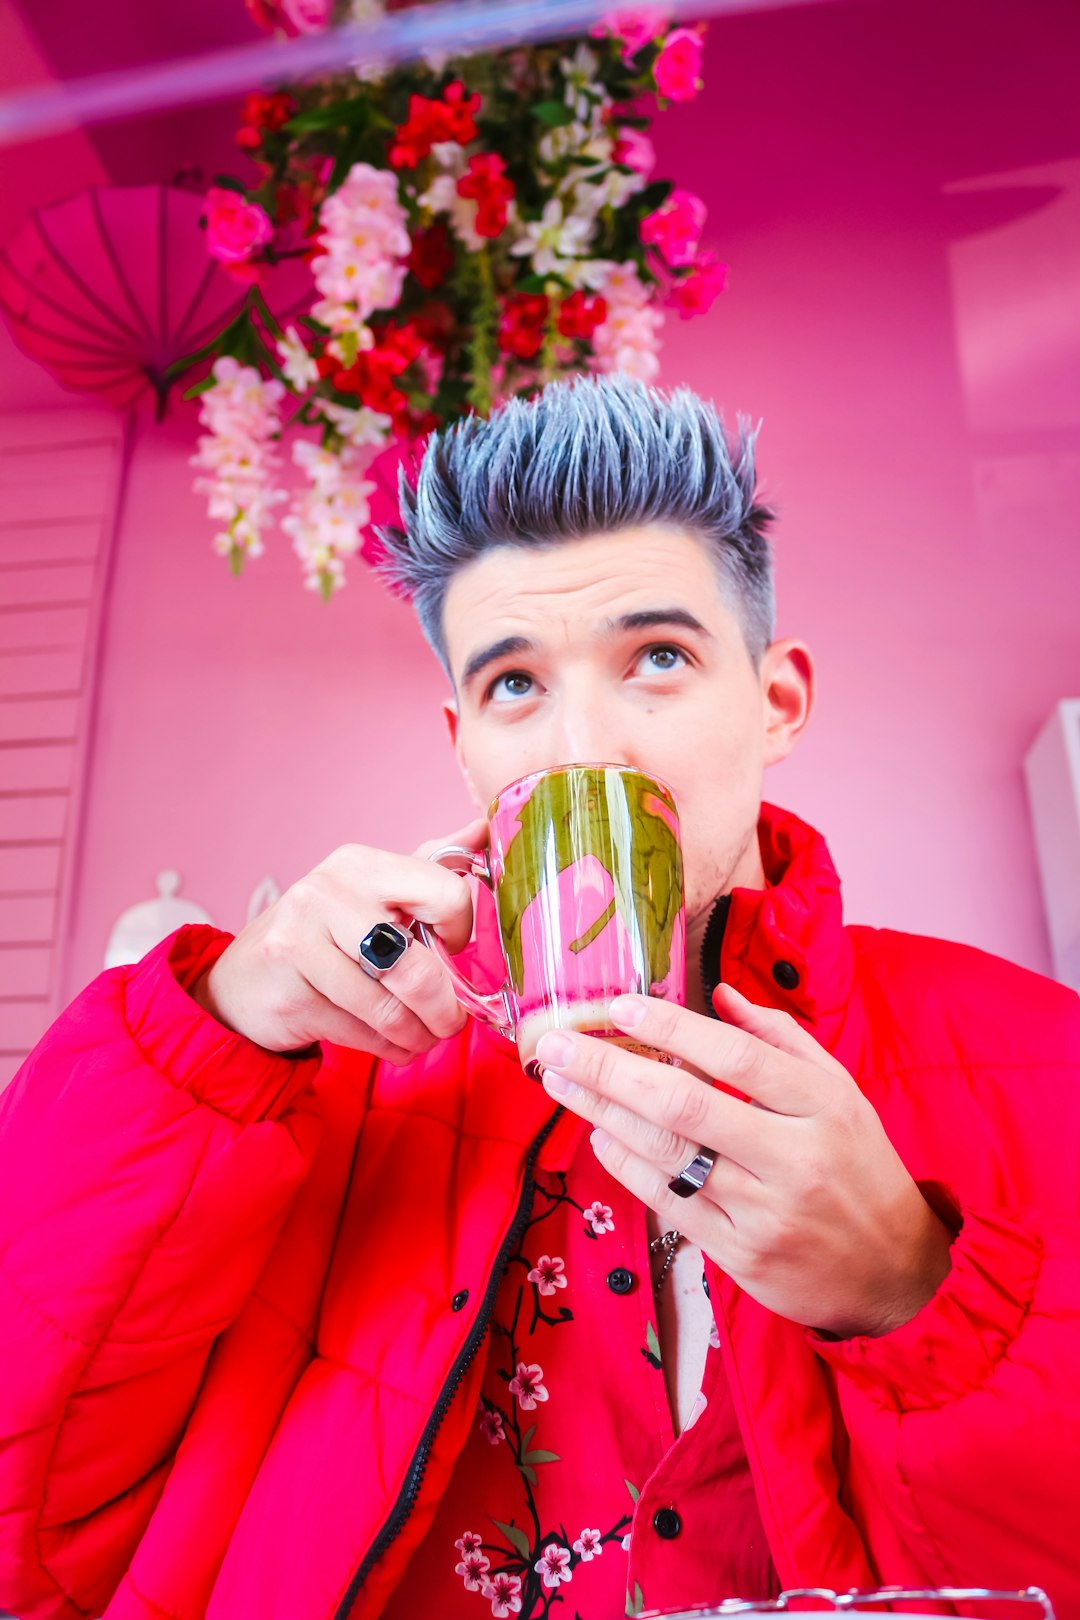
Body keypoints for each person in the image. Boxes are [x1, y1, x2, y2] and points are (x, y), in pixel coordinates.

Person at [0, 376, 1077, 1620]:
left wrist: (907, 1294)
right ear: (466, 743)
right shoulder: (316, 1083)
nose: (583, 747)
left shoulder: (1045, 1054)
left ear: (776, 702)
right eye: (518, 686)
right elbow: (39, 1521)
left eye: (657, 658)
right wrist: (216, 1032)